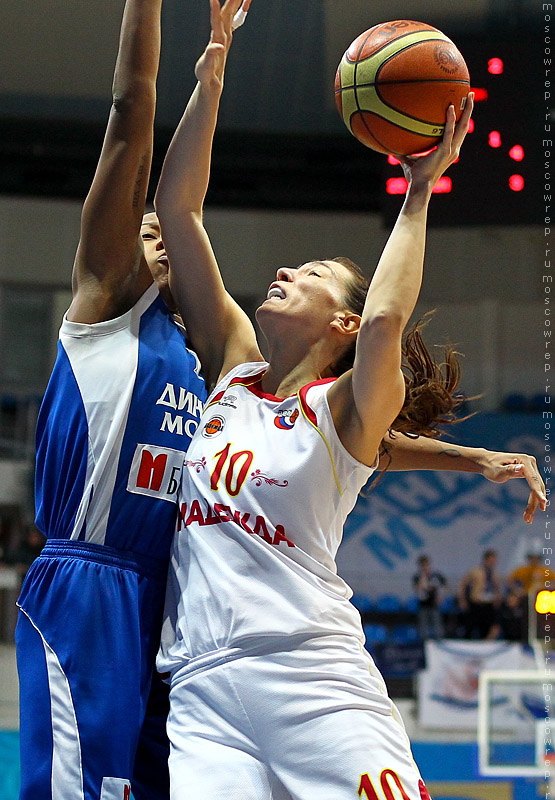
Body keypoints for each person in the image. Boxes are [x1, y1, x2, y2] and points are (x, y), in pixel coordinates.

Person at [152, 1, 495, 795]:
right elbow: (179, 213)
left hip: (310, 677)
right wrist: (213, 61)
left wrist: (418, 191)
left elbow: (385, 319)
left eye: (305, 275)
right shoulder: (234, 371)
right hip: (201, 690)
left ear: (340, 320)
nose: (282, 273)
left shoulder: (345, 412)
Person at [14, 1, 207, 798]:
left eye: (170, 227)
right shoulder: (104, 306)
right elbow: (133, 110)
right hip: (88, 584)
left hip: (170, 604)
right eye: (145, 222)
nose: (153, 226)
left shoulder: (203, 362)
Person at [458, 549, 503, 639]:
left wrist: (498, 599)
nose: (493, 562)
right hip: (476, 603)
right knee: (470, 627)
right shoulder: (475, 571)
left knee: (486, 628)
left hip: (489, 604)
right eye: (491, 560)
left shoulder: (495, 574)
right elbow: (463, 585)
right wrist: (462, 600)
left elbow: (497, 588)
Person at [412, 554, 446, 640]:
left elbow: (445, 586)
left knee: (437, 625)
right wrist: (423, 577)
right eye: (422, 566)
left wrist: (441, 596)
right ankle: (423, 642)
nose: (425, 567)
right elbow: (418, 588)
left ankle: (439, 641)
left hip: (434, 604)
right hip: (423, 604)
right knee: (423, 626)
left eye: (426, 565)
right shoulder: (417, 577)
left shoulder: (436, 576)